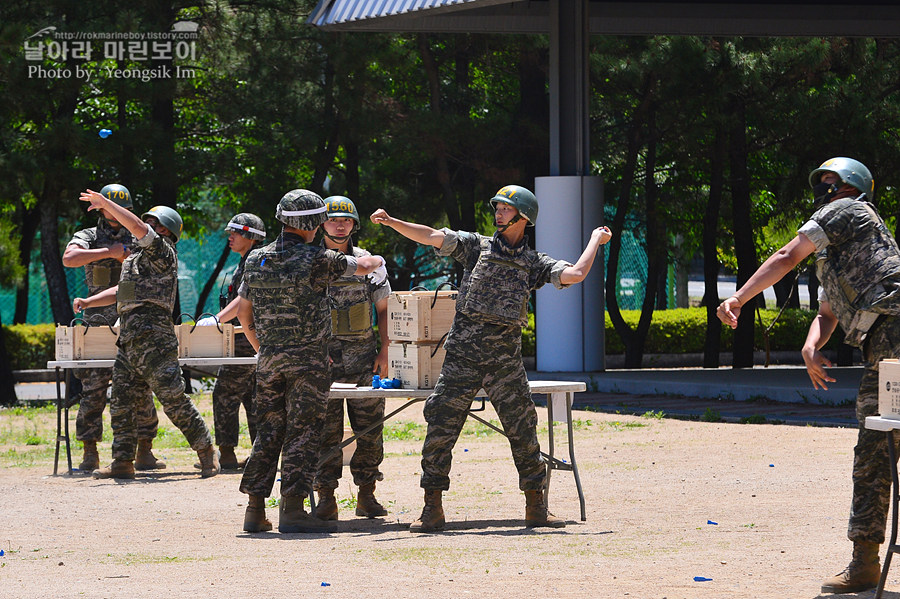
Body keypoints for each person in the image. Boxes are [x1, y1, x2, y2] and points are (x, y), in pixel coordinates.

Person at [370, 184, 613, 532]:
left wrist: (594, 240)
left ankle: (536, 507)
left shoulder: (533, 262)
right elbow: (432, 237)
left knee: (523, 430)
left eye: (505, 208)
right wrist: (394, 222)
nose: (498, 213)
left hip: (504, 361)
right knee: (440, 426)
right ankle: (431, 509)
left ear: (523, 217)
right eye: (496, 207)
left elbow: (574, 274)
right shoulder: (475, 246)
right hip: (462, 358)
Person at [717, 157, 899, 594]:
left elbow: (784, 255)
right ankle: (865, 563)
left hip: (895, 332)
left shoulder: (848, 210)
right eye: (822, 183)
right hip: (885, 343)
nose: (824, 189)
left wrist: (739, 299)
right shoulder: (838, 254)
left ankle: (864, 564)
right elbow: (828, 312)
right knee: (879, 447)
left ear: (850, 187)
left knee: (877, 447)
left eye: (830, 182)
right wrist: (811, 345)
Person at [236, 189, 385, 534]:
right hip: (309, 365)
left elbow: (244, 314)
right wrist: (376, 260)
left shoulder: (257, 258)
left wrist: (265, 349)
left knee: (269, 432)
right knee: (303, 434)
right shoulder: (318, 259)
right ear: (315, 223)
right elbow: (363, 265)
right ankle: (292, 509)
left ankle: (255, 510)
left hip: (270, 360)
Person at [73, 190, 219, 480]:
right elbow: (122, 292)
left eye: (156, 224)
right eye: (149, 222)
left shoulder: (162, 251)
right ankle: (122, 461)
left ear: (166, 232)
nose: (148, 227)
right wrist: (90, 302)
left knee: (173, 399)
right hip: (129, 338)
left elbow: (138, 228)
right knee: (121, 402)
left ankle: (206, 452)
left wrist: (107, 206)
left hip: (154, 338)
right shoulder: (135, 259)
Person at [62, 184, 164, 473]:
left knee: (141, 386)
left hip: (133, 319)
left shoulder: (139, 234)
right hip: (98, 322)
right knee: (93, 388)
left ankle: (145, 450)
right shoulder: (88, 236)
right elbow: (69, 259)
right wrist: (111, 251)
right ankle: (90, 451)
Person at [313, 196, 391, 521]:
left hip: (364, 359)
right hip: (324, 361)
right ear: (322, 224)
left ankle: (367, 495)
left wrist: (386, 349)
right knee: (325, 431)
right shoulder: (312, 262)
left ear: (354, 224)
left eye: (346, 220)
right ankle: (326, 498)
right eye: (333, 219)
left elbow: (384, 308)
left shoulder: (369, 262)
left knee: (370, 428)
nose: (340, 224)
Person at [195, 213, 266, 470]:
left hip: (247, 340)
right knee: (252, 396)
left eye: (236, 232)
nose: (230, 237)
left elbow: (242, 301)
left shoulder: (256, 261)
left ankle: (227, 453)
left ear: (251, 236)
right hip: (243, 339)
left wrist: (216, 320)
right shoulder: (246, 261)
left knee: (225, 394)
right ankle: (258, 453)